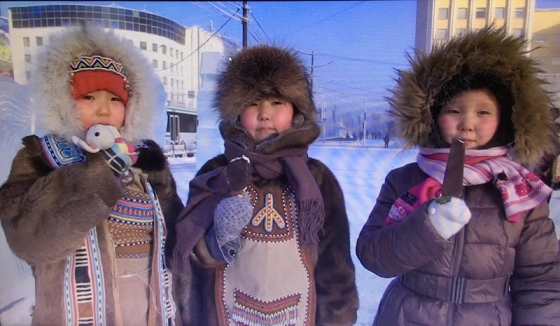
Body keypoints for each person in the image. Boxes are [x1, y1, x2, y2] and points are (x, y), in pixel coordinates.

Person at [356, 27, 560, 325]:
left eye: (483, 113)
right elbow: (373, 256)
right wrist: (428, 227)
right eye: (454, 110)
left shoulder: (521, 191)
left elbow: (541, 281)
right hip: (407, 315)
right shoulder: (405, 180)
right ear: (433, 117)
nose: (467, 124)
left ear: (505, 119)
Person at [0, 24, 183, 325]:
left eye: (115, 100)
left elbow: (174, 238)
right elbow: (27, 240)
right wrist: (98, 176)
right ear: (64, 103)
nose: (103, 110)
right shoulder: (41, 158)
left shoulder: (147, 165)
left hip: (145, 310)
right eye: (88, 98)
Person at [172, 45, 358, 326]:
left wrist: (337, 319)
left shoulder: (317, 180)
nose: (264, 114)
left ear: (296, 111)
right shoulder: (216, 173)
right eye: (253, 103)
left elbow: (336, 267)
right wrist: (217, 237)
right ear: (236, 112)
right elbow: (191, 260)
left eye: (276, 102)